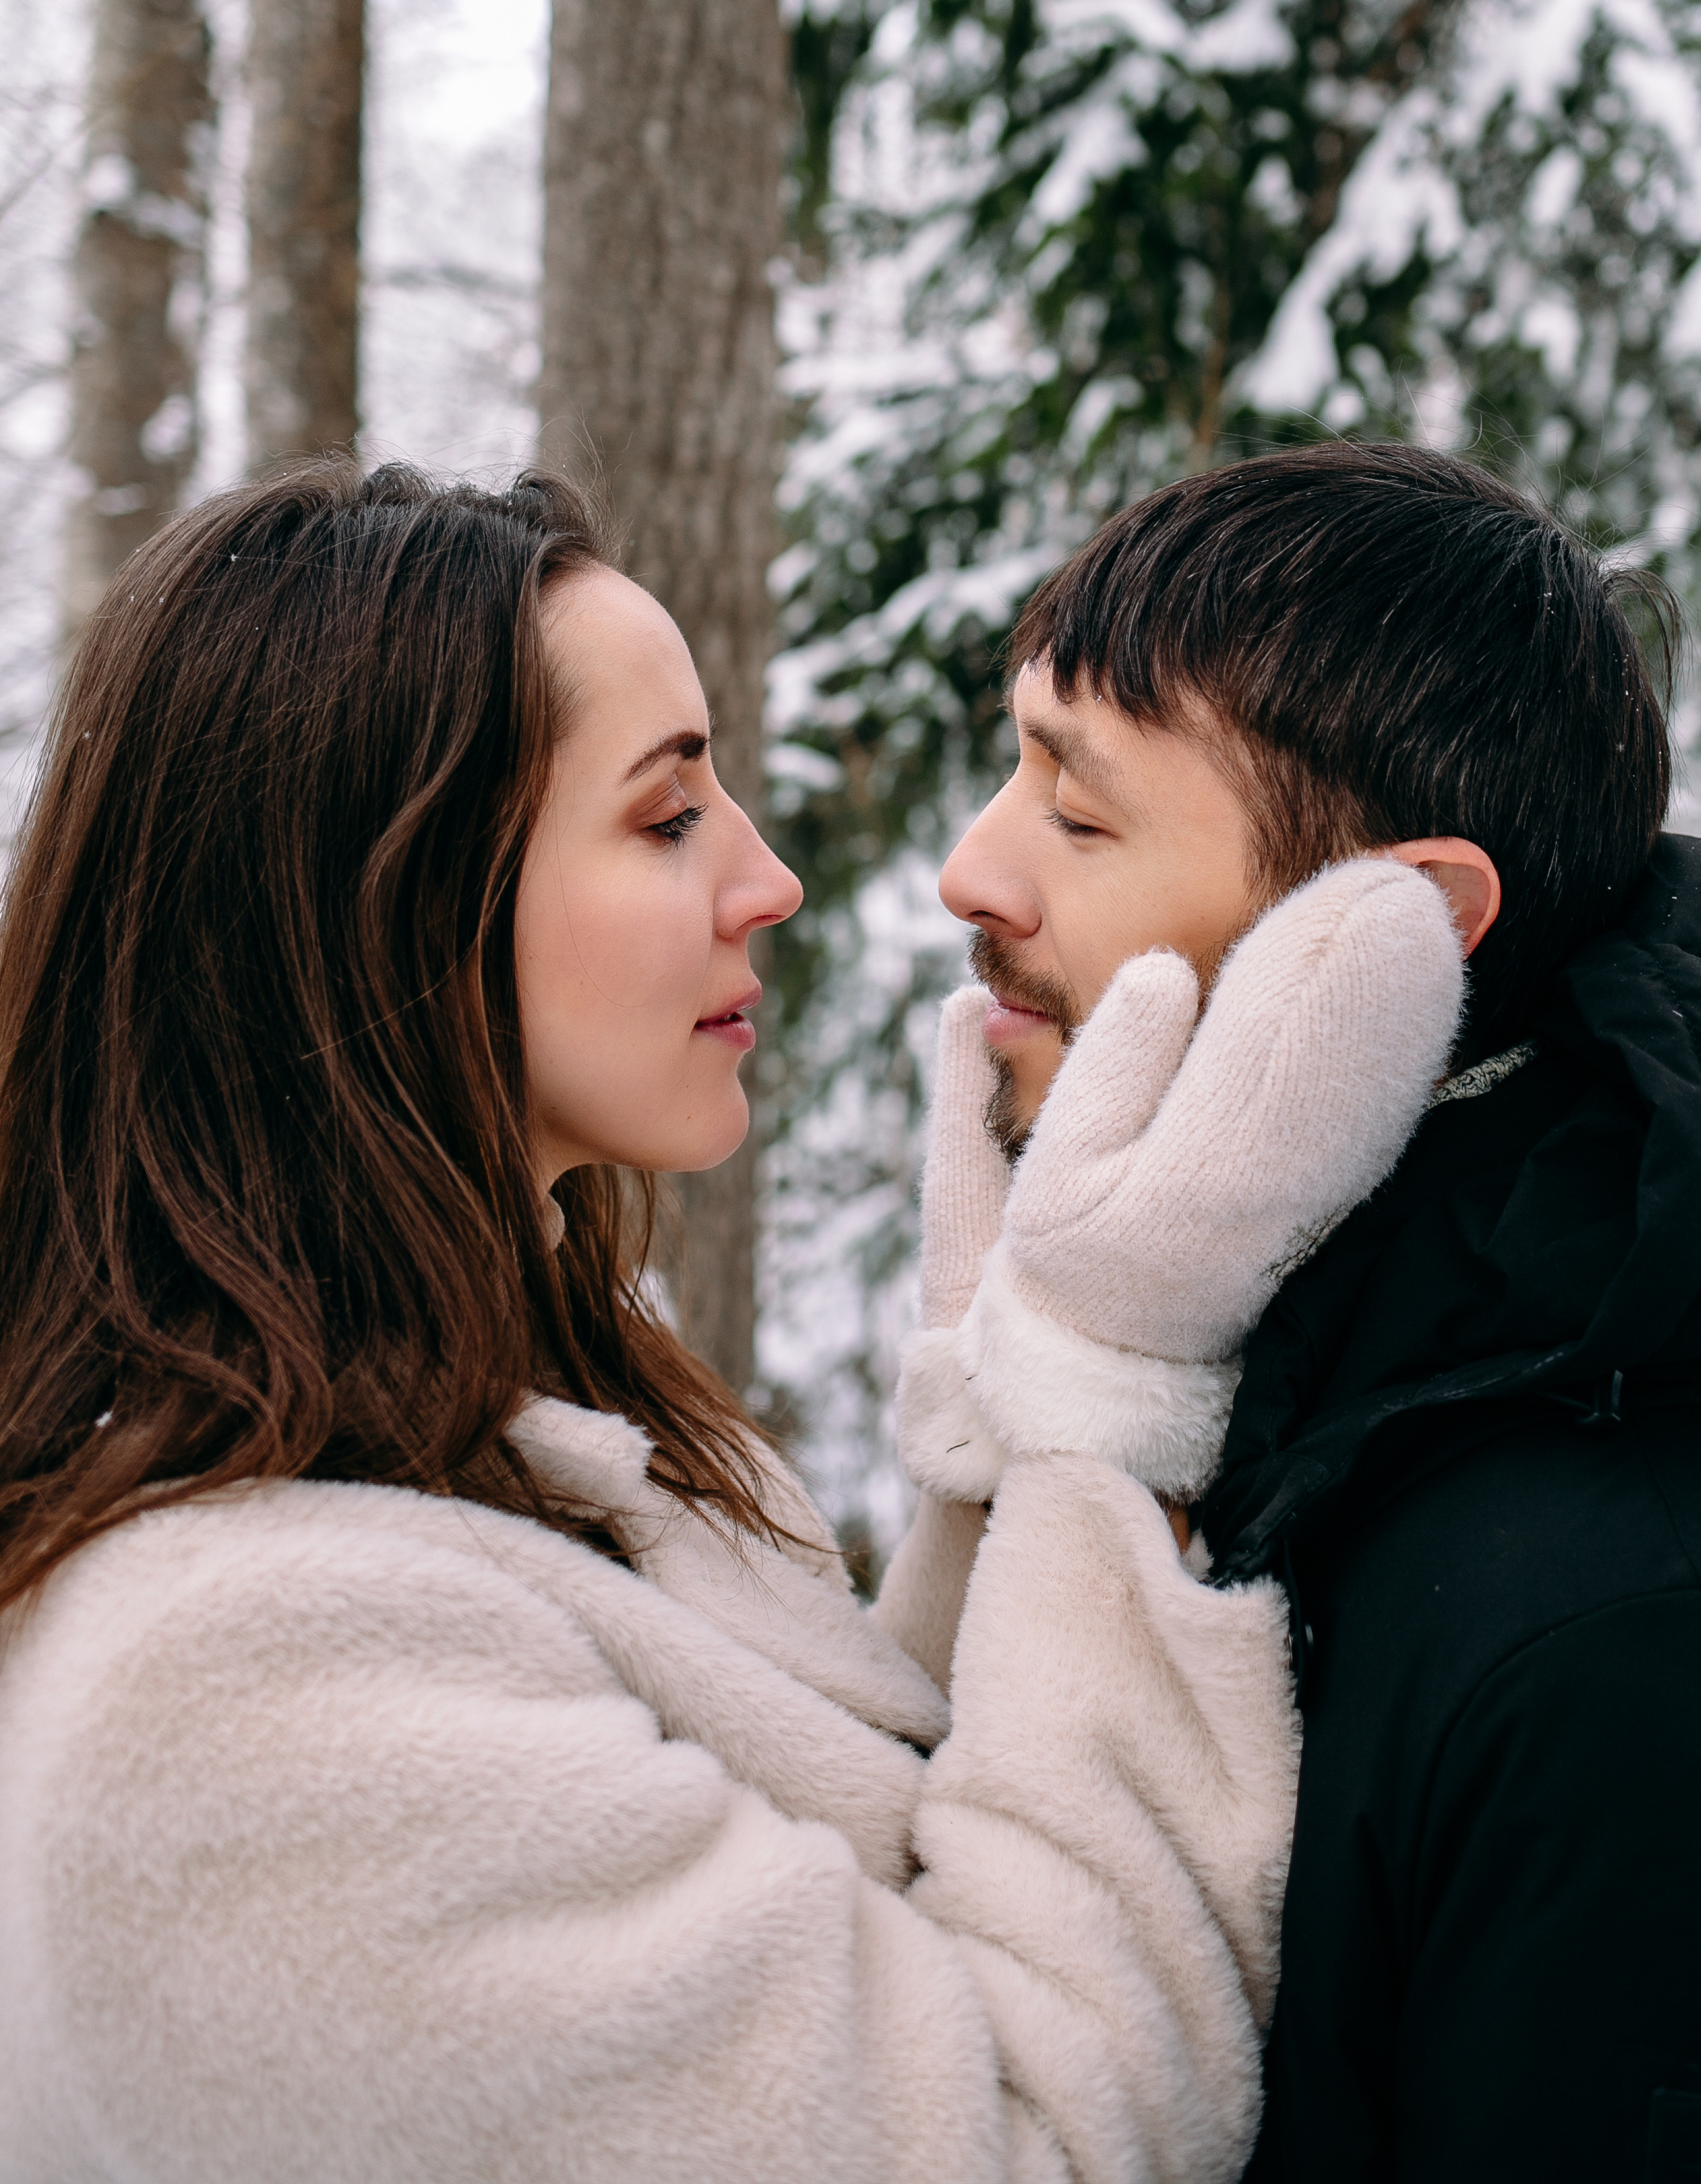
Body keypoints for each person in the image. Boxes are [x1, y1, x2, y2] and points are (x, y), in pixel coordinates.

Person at [0, 459, 1348, 2184]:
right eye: (663, 818)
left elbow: (865, 1898)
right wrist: (1110, 1409)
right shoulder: (242, 1694)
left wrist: (1000, 1429)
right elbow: (1035, 2140)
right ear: (377, 898)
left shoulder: (579, 1452)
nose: (769, 881)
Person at [896, 439, 1701, 2183]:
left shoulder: (1601, 1629)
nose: (971, 874)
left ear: (1394, 927)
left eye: (1079, 810)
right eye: (1008, 772)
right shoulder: (1263, 1399)